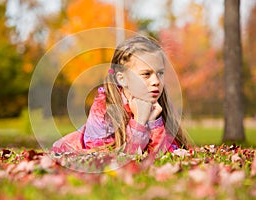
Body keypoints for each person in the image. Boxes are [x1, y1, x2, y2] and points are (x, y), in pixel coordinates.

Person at [52, 35, 189, 155]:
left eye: (160, 73)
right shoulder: (104, 108)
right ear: (122, 79)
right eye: (146, 74)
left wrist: (154, 123)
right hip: (69, 149)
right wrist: (140, 122)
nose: (156, 82)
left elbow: (166, 153)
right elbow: (114, 156)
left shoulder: (159, 105)